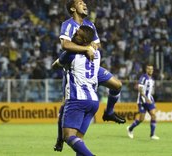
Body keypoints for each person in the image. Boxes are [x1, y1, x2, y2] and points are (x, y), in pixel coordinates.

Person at [54, 0, 125, 152]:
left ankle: (109, 112)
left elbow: (96, 45)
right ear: (73, 8)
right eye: (80, 3)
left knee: (117, 85)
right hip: (75, 65)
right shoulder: (68, 24)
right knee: (66, 102)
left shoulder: (90, 25)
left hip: (91, 66)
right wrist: (85, 48)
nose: (85, 4)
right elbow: (65, 45)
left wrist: (90, 48)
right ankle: (60, 138)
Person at [53, 25, 100, 156]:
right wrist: (89, 47)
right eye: (76, 32)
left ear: (85, 41)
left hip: (77, 99)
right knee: (79, 141)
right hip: (93, 101)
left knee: (68, 136)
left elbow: (55, 65)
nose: (74, 35)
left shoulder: (70, 54)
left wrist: (58, 62)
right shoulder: (97, 53)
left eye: (78, 35)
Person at [127, 64, 160, 140]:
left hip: (150, 100)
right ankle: (130, 129)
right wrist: (146, 98)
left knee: (153, 115)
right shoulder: (143, 78)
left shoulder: (152, 79)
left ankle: (152, 135)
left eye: (151, 69)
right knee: (141, 119)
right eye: (149, 69)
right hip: (142, 101)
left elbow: (150, 90)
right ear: (146, 70)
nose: (150, 70)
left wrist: (150, 98)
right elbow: (140, 90)